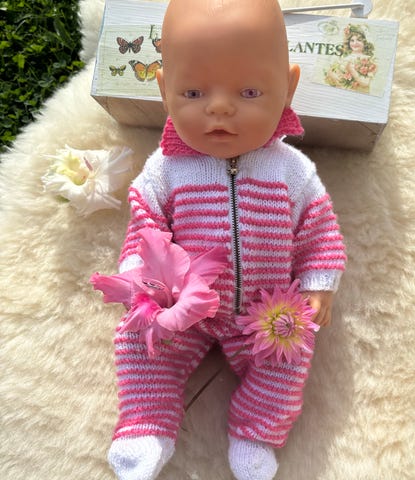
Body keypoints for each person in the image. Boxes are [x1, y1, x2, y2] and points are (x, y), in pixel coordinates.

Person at [107, 1, 346, 479]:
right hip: (182, 307)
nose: (219, 107)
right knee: (139, 341)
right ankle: (146, 422)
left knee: (291, 356)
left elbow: (319, 230)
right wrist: (139, 278)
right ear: (164, 92)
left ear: (288, 90)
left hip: (267, 315)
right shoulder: (165, 170)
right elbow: (144, 227)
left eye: (250, 91)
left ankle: (256, 430)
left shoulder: (292, 172)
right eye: (193, 92)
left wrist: (319, 283)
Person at [325, 24, 377, 93]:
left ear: (365, 42)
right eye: (352, 40)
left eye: (359, 40)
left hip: (357, 94)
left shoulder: (368, 60)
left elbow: (365, 83)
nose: (355, 43)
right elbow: (331, 70)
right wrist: (333, 75)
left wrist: (352, 70)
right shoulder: (344, 57)